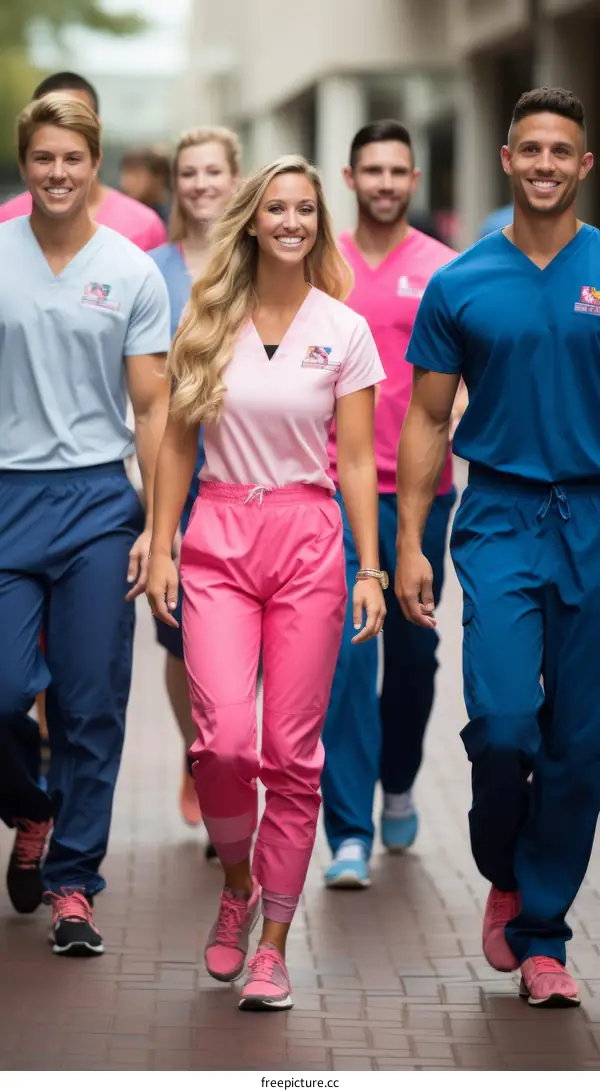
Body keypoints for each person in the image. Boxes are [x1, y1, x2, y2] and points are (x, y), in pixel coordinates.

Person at [147, 154, 386, 1011]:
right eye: (276, 208)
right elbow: (177, 440)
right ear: (252, 219)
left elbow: (355, 459)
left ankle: (273, 943)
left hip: (308, 540)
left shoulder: (343, 328)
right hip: (215, 533)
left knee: (291, 756)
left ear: (320, 223)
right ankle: (238, 885)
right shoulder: (206, 318)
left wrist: (370, 566)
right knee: (221, 743)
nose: (291, 221)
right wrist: (164, 543)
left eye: (306, 210)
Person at [396, 86, 599, 1009]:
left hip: (596, 517)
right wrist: (408, 541)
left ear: (583, 165)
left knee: (580, 743)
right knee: (508, 722)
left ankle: (543, 934)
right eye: (532, 150)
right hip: (501, 518)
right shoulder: (461, 281)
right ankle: (501, 862)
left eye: (564, 151)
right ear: (508, 160)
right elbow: (429, 419)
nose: (547, 164)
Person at [0, 93, 170, 953]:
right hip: (5, 496)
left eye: (72, 158)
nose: (57, 172)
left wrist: (159, 527)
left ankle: (73, 883)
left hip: (100, 502)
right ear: (24, 164)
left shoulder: (131, 271)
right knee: (1, 691)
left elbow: (153, 408)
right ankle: (32, 808)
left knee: (91, 701)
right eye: (42, 159)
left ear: (93, 164)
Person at [322, 120, 460, 888]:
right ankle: (348, 830)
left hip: (418, 496)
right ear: (349, 178)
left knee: (413, 653)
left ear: (414, 179)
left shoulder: (442, 269)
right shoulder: (321, 266)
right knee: (347, 657)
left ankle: (399, 777)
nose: (383, 182)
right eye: (370, 169)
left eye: (396, 170)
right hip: (336, 493)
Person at [149, 127, 241, 835]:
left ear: (235, 179)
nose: (202, 183)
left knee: (242, 647)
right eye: (190, 172)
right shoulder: (151, 270)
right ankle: (198, 745)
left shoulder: (261, 263)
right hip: (175, 481)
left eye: (214, 171)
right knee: (180, 639)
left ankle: (224, 755)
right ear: (175, 183)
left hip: (249, 480)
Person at [0, 72, 167, 252]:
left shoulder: (144, 226)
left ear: (97, 127)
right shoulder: (6, 221)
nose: (62, 126)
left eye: (77, 116)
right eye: (51, 115)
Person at [120, 145, 172, 226]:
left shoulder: (175, 222)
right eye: (125, 175)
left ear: (158, 177)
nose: (125, 183)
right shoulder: (121, 219)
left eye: (136, 175)